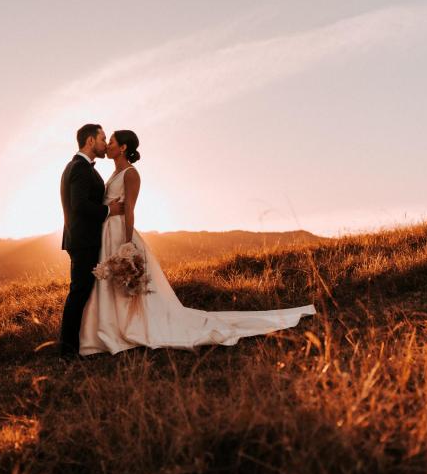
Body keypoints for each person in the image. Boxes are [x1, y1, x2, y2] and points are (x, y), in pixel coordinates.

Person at [77, 129, 316, 356]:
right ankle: (112, 327)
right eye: (106, 140)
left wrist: (127, 243)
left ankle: (130, 328)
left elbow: (129, 209)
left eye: (112, 141)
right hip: (108, 232)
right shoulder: (114, 173)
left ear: (123, 147)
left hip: (120, 232)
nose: (107, 145)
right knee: (114, 283)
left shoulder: (131, 173)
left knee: (128, 282)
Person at [58, 123, 124, 358]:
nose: (105, 143)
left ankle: (82, 343)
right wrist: (109, 210)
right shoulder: (79, 168)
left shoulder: (79, 167)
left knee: (83, 291)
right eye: (102, 138)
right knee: (78, 293)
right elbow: (79, 205)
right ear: (89, 141)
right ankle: (67, 351)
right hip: (83, 240)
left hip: (81, 239)